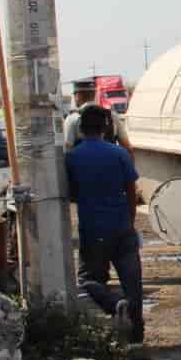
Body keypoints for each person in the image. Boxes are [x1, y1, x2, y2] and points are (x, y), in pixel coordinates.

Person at [65, 104, 144, 343]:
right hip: (122, 227)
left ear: (80, 129)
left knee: (89, 280)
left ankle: (113, 304)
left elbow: (71, 194)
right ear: (106, 128)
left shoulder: (72, 158)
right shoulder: (119, 154)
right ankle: (136, 338)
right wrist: (129, 221)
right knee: (133, 284)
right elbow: (132, 191)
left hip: (93, 230)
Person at [63, 83, 130, 153]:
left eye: (74, 95)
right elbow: (127, 147)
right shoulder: (113, 116)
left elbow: (68, 149)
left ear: (78, 95)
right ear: (94, 94)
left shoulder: (72, 119)